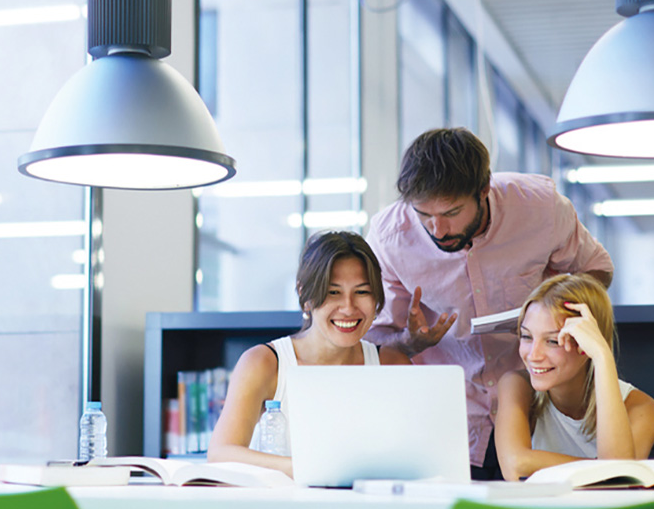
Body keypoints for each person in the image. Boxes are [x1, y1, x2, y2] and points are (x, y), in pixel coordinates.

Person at [365, 127, 613, 478]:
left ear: (484, 191)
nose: (437, 229)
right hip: (448, 420)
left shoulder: (540, 207)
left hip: (542, 408)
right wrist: (410, 342)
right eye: (423, 215)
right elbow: (372, 340)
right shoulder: (389, 237)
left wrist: (553, 312)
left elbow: (597, 271)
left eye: (451, 212)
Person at [207, 231, 411, 476]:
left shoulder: (393, 365)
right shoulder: (264, 362)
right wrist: (305, 468)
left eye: (362, 292)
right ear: (306, 297)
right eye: (333, 292)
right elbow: (221, 454)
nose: (348, 308)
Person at [494, 274, 654, 481]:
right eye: (527, 336)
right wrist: (603, 468)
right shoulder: (517, 386)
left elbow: (617, 482)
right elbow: (515, 466)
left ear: (587, 343)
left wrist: (602, 356)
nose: (533, 355)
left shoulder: (642, 408)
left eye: (553, 341)